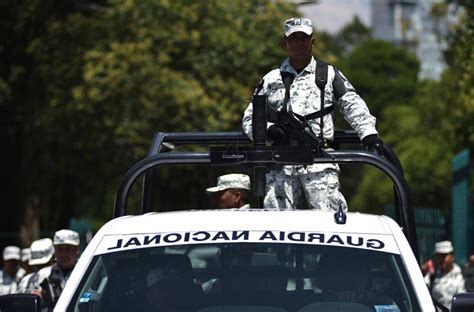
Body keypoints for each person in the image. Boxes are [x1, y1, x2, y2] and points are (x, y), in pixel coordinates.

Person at [242, 17, 381, 211]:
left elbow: (352, 103)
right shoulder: (271, 79)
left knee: (330, 225)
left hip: (319, 161)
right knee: (277, 228)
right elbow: (250, 118)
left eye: (304, 38)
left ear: (312, 42)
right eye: (294, 38)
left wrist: (368, 134)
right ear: (285, 43)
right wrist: (269, 130)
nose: (299, 42)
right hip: (281, 163)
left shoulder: (328, 74)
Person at [32, 229, 80, 310]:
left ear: (77, 249)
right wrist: (37, 297)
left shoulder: (87, 271)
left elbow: (94, 296)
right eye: (60, 248)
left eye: (68, 249)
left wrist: (83, 296)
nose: (64, 254)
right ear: (54, 250)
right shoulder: (43, 275)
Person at [425, 240, 466, 309]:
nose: (441, 259)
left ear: (452, 256)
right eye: (438, 256)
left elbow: (464, 302)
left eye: (444, 256)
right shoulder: (432, 276)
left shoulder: (461, 275)